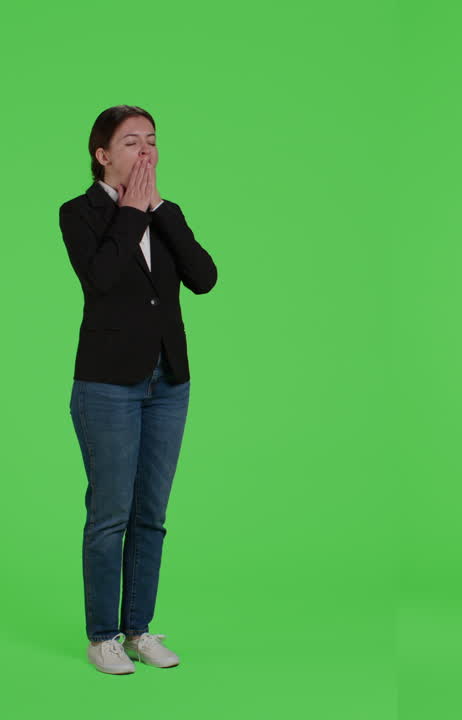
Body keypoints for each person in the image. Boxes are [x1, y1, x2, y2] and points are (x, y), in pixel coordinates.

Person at [60, 105, 217, 674]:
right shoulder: (77, 213)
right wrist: (130, 212)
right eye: (131, 142)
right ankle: (102, 635)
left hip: (168, 380)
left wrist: (159, 212)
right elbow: (100, 280)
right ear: (103, 155)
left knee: (151, 513)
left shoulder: (165, 213)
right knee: (110, 514)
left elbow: (204, 278)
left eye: (152, 141)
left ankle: (139, 629)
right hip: (107, 385)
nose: (146, 152)